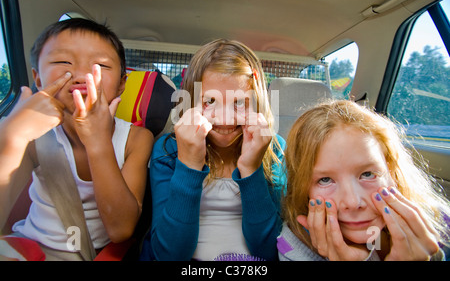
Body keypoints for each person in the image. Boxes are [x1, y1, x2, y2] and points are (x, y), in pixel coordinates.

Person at [0, 18, 153, 260]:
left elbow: (121, 230)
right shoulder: (31, 136)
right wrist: (12, 137)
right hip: (29, 248)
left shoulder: (136, 139)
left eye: (101, 65)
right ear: (38, 78)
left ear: (122, 83)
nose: (82, 75)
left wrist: (98, 142)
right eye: (62, 62)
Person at [140, 39, 285, 261]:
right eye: (210, 101)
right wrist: (189, 164)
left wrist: (251, 167)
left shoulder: (274, 148)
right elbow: (168, 255)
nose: (225, 120)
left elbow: (270, 250)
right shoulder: (168, 149)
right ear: (190, 101)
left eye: (239, 103)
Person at [278, 100, 450, 261]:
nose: (353, 202)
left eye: (367, 174)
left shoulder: (439, 220)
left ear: (392, 172)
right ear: (303, 188)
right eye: (325, 180)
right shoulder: (292, 247)